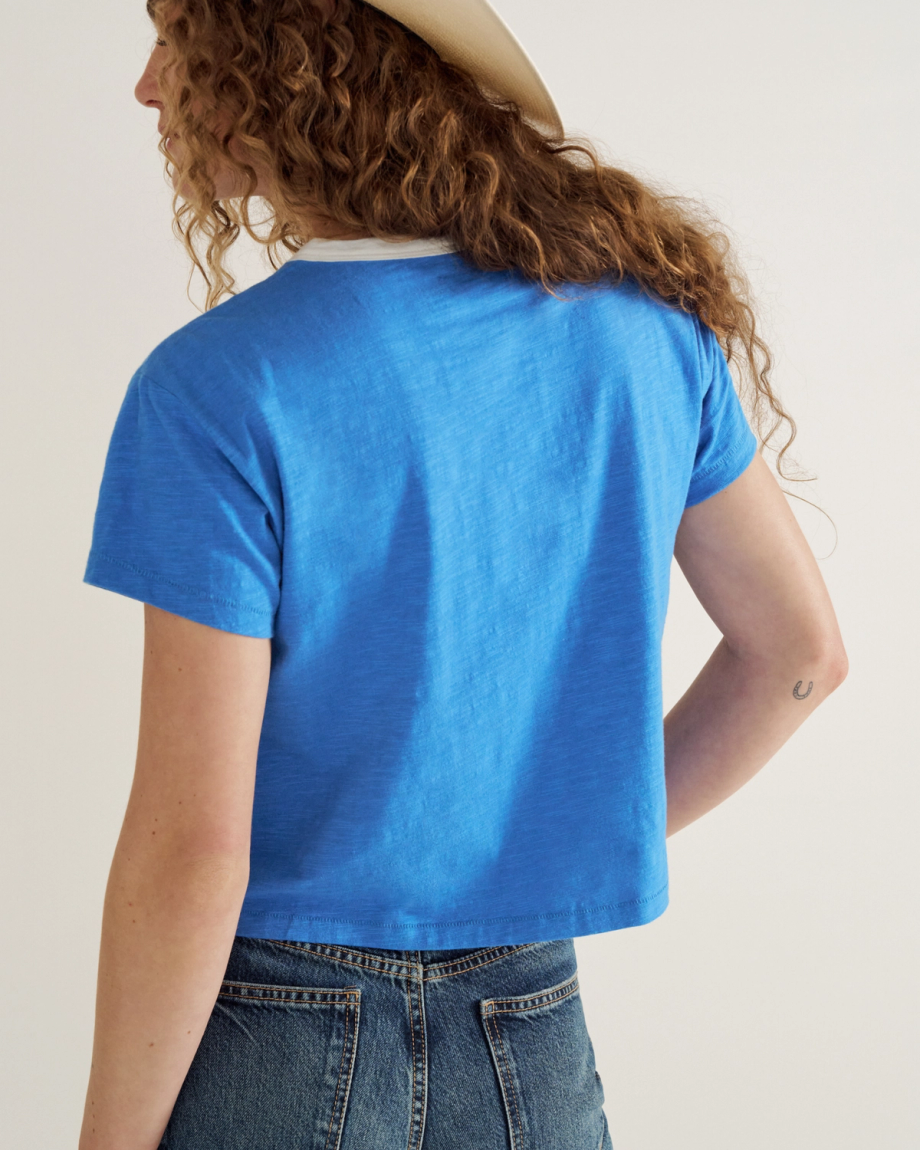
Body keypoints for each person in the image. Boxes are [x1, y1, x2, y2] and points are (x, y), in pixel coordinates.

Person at [77, 1, 848, 1147]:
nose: (148, 88)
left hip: (280, 1032)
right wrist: (557, 830)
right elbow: (798, 657)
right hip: (528, 1029)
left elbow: (195, 843)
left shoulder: (217, 388)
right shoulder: (647, 337)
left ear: (278, 68)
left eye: (175, 42)